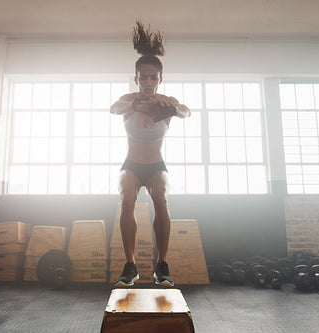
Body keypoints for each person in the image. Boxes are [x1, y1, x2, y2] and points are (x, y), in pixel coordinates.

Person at [110, 21, 191, 287]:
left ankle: (162, 265)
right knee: (126, 197)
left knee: (161, 198)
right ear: (136, 79)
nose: (147, 82)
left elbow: (185, 111)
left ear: (159, 79)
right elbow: (115, 108)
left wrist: (169, 111)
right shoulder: (129, 99)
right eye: (143, 77)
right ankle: (130, 265)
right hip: (131, 165)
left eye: (153, 77)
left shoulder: (166, 102)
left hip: (156, 165)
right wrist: (135, 103)